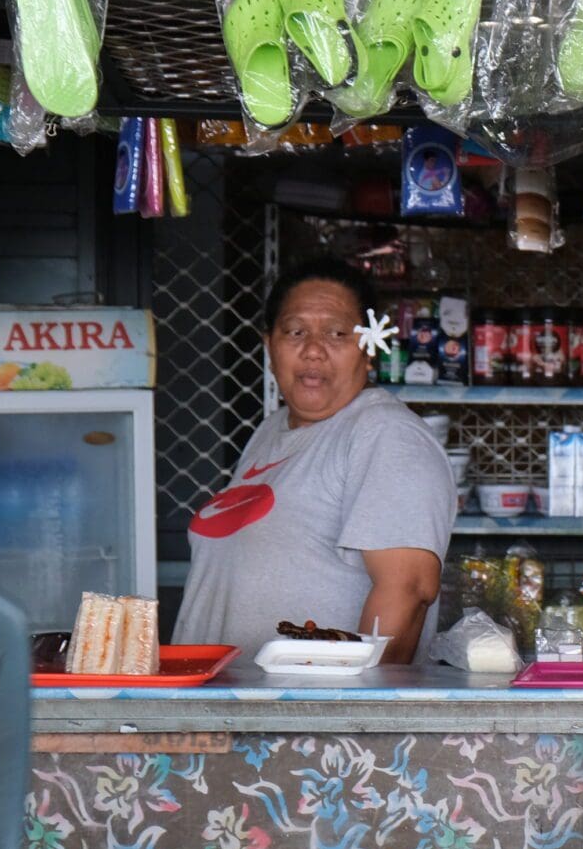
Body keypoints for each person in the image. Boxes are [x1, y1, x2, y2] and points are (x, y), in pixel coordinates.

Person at [177, 258, 452, 664]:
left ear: (369, 349)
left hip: (301, 720)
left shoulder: (385, 434)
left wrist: (357, 719)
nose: (313, 350)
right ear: (269, 345)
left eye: (337, 333)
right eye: (295, 331)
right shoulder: (271, 431)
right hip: (223, 713)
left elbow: (408, 590)